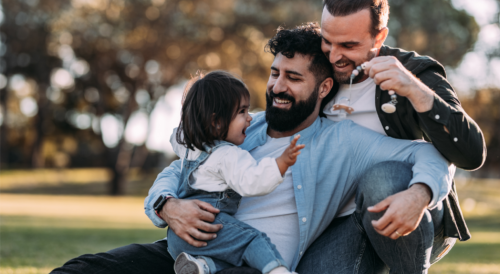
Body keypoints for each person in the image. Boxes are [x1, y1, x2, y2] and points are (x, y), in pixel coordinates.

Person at [51, 24, 453, 274]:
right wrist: (166, 207)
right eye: (275, 73)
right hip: (189, 250)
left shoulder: (343, 141)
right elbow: (182, 162)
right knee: (82, 269)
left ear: (323, 88)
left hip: (255, 264)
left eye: (293, 77)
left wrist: (419, 195)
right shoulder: (246, 125)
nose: (277, 86)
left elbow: (429, 152)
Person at [315, 0, 486, 272]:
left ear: (379, 37)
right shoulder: (314, 66)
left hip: (417, 209)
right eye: (327, 40)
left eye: (349, 45)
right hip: (339, 220)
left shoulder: (416, 72)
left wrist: (416, 91)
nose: (333, 56)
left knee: (381, 179)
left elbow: (471, 154)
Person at [166, 70, 303, 274]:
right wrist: (281, 163)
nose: (250, 119)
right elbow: (253, 181)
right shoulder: (227, 155)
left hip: (177, 237)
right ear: (217, 121)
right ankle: (278, 271)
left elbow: (175, 135)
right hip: (205, 228)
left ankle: (202, 266)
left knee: (233, 253)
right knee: (251, 241)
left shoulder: (187, 144)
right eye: (242, 112)